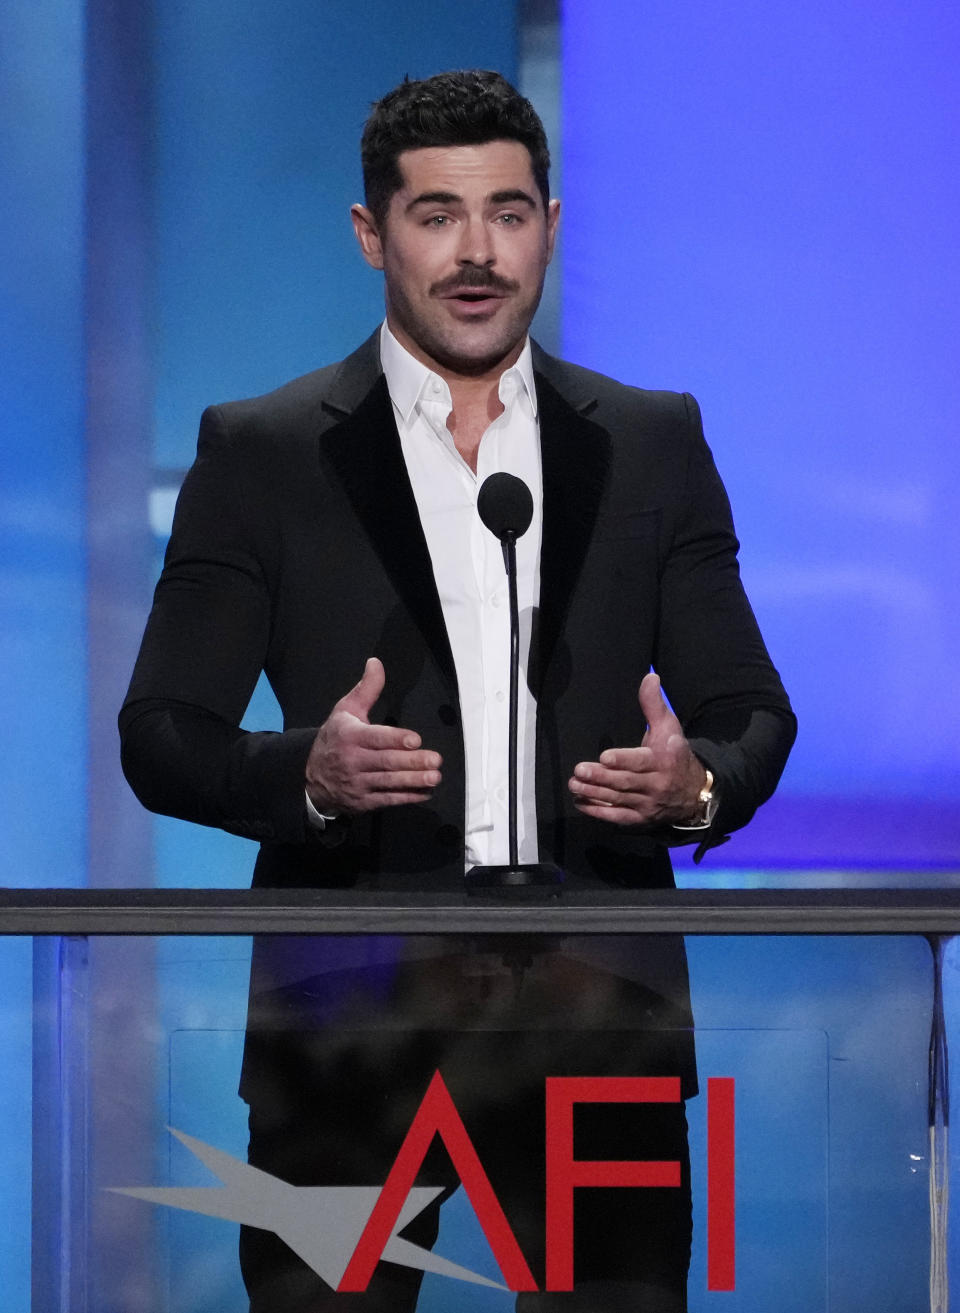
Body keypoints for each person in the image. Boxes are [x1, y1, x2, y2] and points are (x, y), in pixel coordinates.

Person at [120, 69, 795, 1312]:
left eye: (510, 212)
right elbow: (162, 734)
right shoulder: (260, 450)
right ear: (373, 233)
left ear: (548, 221)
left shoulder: (650, 440)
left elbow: (750, 708)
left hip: (602, 1028)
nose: (478, 252)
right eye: (437, 215)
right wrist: (305, 776)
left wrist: (695, 782)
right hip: (345, 1043)